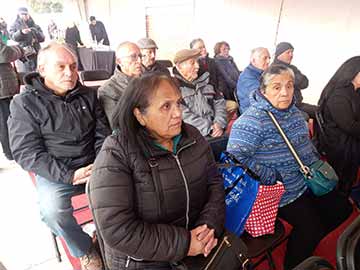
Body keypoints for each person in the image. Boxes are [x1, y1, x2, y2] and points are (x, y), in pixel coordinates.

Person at [88, 73, 225, 269]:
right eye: (166, 106)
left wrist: (208, 226)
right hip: (144, 261)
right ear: (139, 115)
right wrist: (184, 243)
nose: (178, 113)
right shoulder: (117, 153)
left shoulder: (192, 137)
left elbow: (215, 183)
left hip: (198, 245)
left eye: (178, 103)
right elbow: (118, 229)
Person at [227, 64, 352, 270]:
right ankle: (295, 265)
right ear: (263, 90)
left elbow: (306, 145)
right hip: (280, 190)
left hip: (305, 180)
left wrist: (316, 165)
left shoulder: (295, 114)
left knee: (342, 209)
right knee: (310, 229)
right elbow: (235, 159)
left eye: (289, 86)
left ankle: (311, 242)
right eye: (276, 87)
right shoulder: (251, 121)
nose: (284, 92)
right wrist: (271, 175)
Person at [8, 42, 111, 270]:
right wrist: (69, 175)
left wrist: (99, 164)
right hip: (57, 171)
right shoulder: (24, 104)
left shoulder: (88, 95)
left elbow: (103, 134)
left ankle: (112, 239)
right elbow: (26, 152)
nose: (70, 73)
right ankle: (85, 248)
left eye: (73, 67)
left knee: (133, 188)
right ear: (42, 70)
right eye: (61, 67)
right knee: (52, 211)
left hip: (93, 164)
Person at [317, 56, 360, 196]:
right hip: (339, 144)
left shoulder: (354, 91)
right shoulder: (339, 95)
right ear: (353, 73)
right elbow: (349, 126)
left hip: (349, 139)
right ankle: (343, 195)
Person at [173, 48, 227, 137]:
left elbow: (220, 103)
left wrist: (219, 124)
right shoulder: (173, 87)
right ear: (179, 66)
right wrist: (209, 128)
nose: (197, 66)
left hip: (217, 131)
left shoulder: (207, 80)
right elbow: (184, 115)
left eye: (197, 62)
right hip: (192, 136)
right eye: (192, 63)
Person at [98, 41, 142, 127]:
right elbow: (118, 125)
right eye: (133, 57)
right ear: (119, 61)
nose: (139, 61)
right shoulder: (108, 90)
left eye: (140, 56)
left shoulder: (148, 81)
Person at [272, 42, 318, 119]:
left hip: (298, 104)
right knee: (305, 117)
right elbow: (296, 81)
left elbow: (305, 83)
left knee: (320, 111)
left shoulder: (292, 68)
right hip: (286, 107)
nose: (291, 55)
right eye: (288, 52)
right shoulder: (275, 69)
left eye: (292, 52)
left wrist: (292, 78)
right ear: (279, 54)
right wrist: (294, 79)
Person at [0, 40, 23, 161]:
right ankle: (10, 151)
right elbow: (5, 53)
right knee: (5, 121)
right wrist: (19, 49)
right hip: (2, 89)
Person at [9, 7, 44, 72]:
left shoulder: (34, 25)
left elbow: (42, 38)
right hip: (25, 55)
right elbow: (12, 37)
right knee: (28, 74)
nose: (24, 16)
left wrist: (35, 32)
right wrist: (21, 32)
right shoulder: (14, 26)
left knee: (41, 72)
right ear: (18, 15)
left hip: (38, 52)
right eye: (22, 14)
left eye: (26, 14)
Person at [236, 47, 270, 114]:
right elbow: (261, 96)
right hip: (252, 112)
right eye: (265, 58)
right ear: (253, 60)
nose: (268, 61)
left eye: (269, 58)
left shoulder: (263, 73)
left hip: (263, 108)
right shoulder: (246, 77)